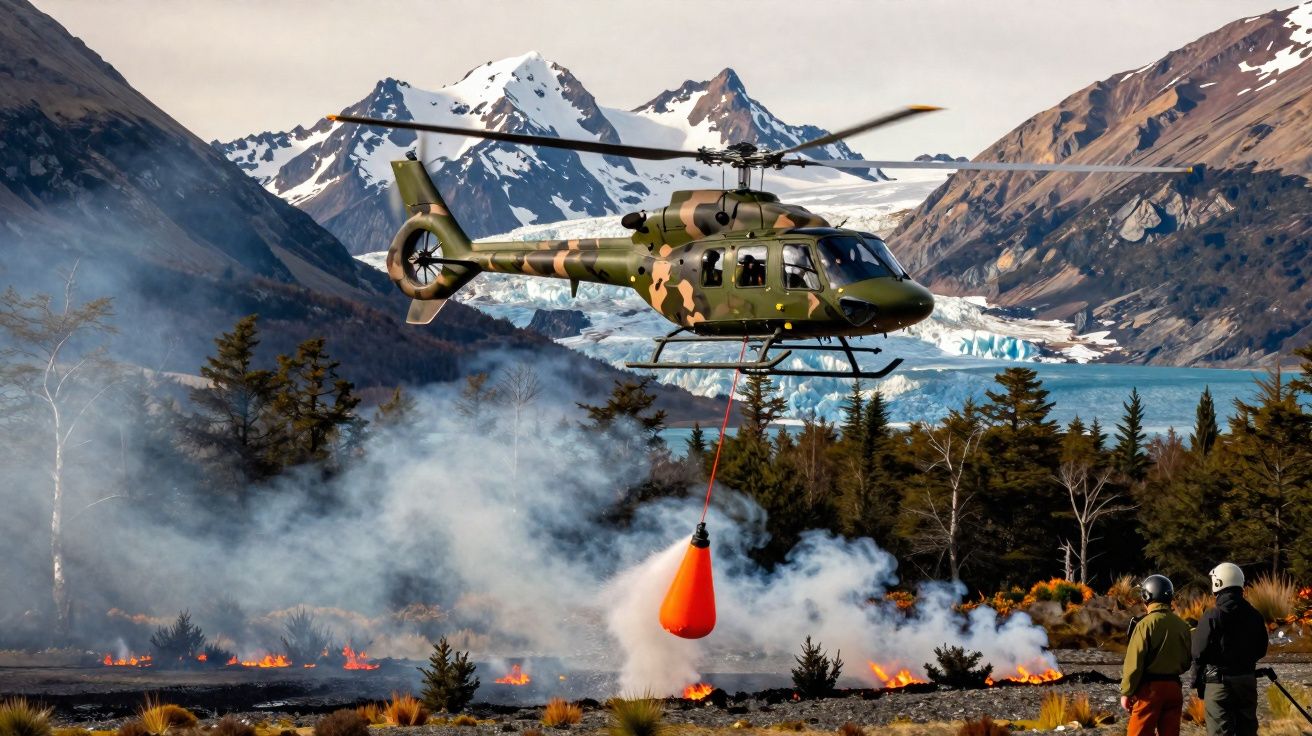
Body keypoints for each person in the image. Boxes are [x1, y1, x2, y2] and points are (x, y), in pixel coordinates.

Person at [1193, 562, 1269, 736]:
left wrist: (1197, 681)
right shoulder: (1255, 615)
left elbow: (1198, 652)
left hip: (1219, 683)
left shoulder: (1212, 615)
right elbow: (1261, 649)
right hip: (1247, 681)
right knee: (1247, 730)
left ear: (1218, 583)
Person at [1122, 574, 1194, 736]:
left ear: (1147, 596)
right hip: (1174, 689)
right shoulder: (1183, 626)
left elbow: (1134, 663)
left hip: (1150, 691)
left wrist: (1127, 692)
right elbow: (1187, 661)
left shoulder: (1144, 624)